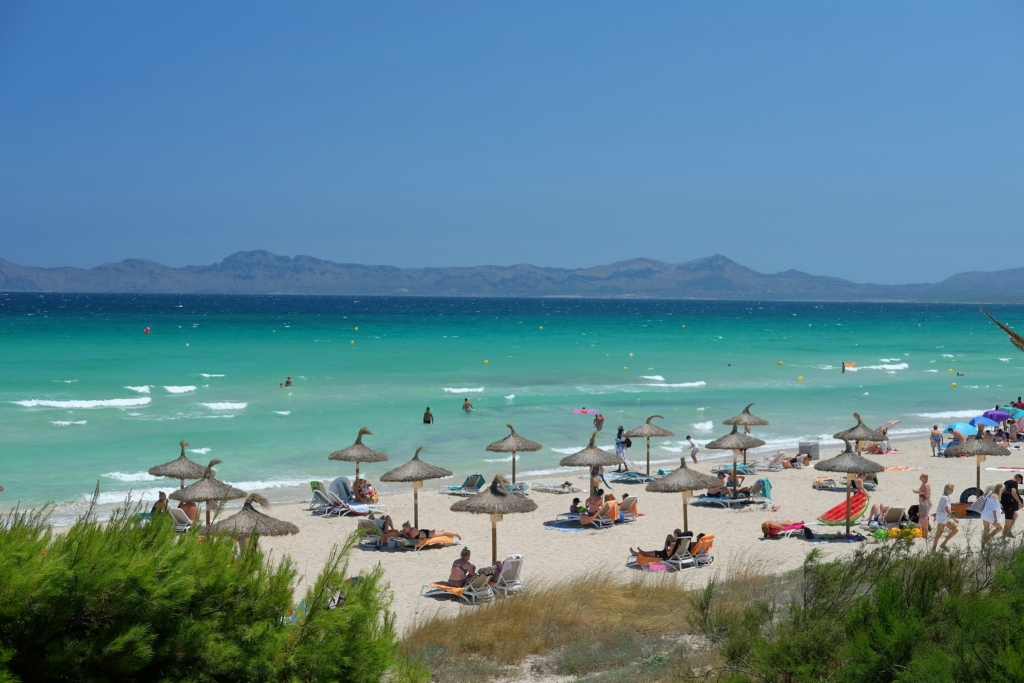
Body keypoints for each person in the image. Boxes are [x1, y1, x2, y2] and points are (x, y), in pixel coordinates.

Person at [932, 484, 958, 551]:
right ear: (947, 489)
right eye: (951, 489)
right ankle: (933, 549)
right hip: (942, 518)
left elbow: (941, 508)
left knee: (955, 530)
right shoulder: (945, 498)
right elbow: (946, 509)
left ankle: (943, 544)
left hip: (944, 518)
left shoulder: (945, 497)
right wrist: (954, 518)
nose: (952, 491)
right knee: (938, 535)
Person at [913, 474, 931, 540]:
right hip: (925, 502)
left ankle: (925, 535)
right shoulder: (923, 484)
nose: (920, 477)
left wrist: (918, 514)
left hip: (926, 502)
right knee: (925, 518)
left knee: (924, 523)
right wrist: (916, 491)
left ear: (924, 478)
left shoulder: (926, 485)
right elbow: (920, 491)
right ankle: (925, 535)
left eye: (921, 476)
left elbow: (926, 494)